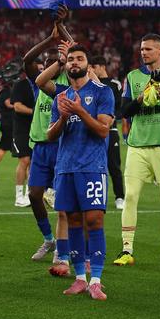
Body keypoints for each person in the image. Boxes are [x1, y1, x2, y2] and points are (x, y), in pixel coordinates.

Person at [47, 44, 114, 301]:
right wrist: (64, 117)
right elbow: (50, 135)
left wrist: (79, 111)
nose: (74, 62)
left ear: (87, 63)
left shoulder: (102, 92)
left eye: (80, 58)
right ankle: (79, 278)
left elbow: (103, 130)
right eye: (71, 59)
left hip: (92, 167)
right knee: (73, 221)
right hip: (66, 167)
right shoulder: (60, 97)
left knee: (94, 220)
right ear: (65, 65)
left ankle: (95, 280)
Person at [114, 33, 160, 266]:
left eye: (148, 49)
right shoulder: (133, 77)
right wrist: (141, 97)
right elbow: (124, 112)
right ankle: (126, 249)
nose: (143, 53)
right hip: (137, 146)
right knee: (130, 196)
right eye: (141, 49)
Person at [24, 17, 70, 262]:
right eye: (48, 63)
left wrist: (63, 29)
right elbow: (27, 60)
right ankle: (49, 239)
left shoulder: (69, 83)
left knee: (63, 199)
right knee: (34, 195)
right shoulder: (39, 83)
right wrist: (50, 40)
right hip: (41, 147)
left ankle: (63, 246)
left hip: (62, 146)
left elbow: (79, 53)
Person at [89, 56, 125, 209]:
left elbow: (121, 107)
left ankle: (120, 197)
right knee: (93, 166)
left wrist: (113, 117)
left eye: (93, 66)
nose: (91, 69)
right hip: (93, 130)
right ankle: (97, 195)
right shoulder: (88, 84)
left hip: (111, 130)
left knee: (114, 165)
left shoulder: (114, 84)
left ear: (102, 66)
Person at [11, 60, 42, 207]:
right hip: (22, 130)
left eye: (43, 69)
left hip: (37, 130)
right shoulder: (20, 85)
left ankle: (29, 195)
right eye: (39, 69)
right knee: (24, 160)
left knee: (33, 163)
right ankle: (18, 196)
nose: (41, 72)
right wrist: (35, 112)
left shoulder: (44, 85)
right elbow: (17, 106)